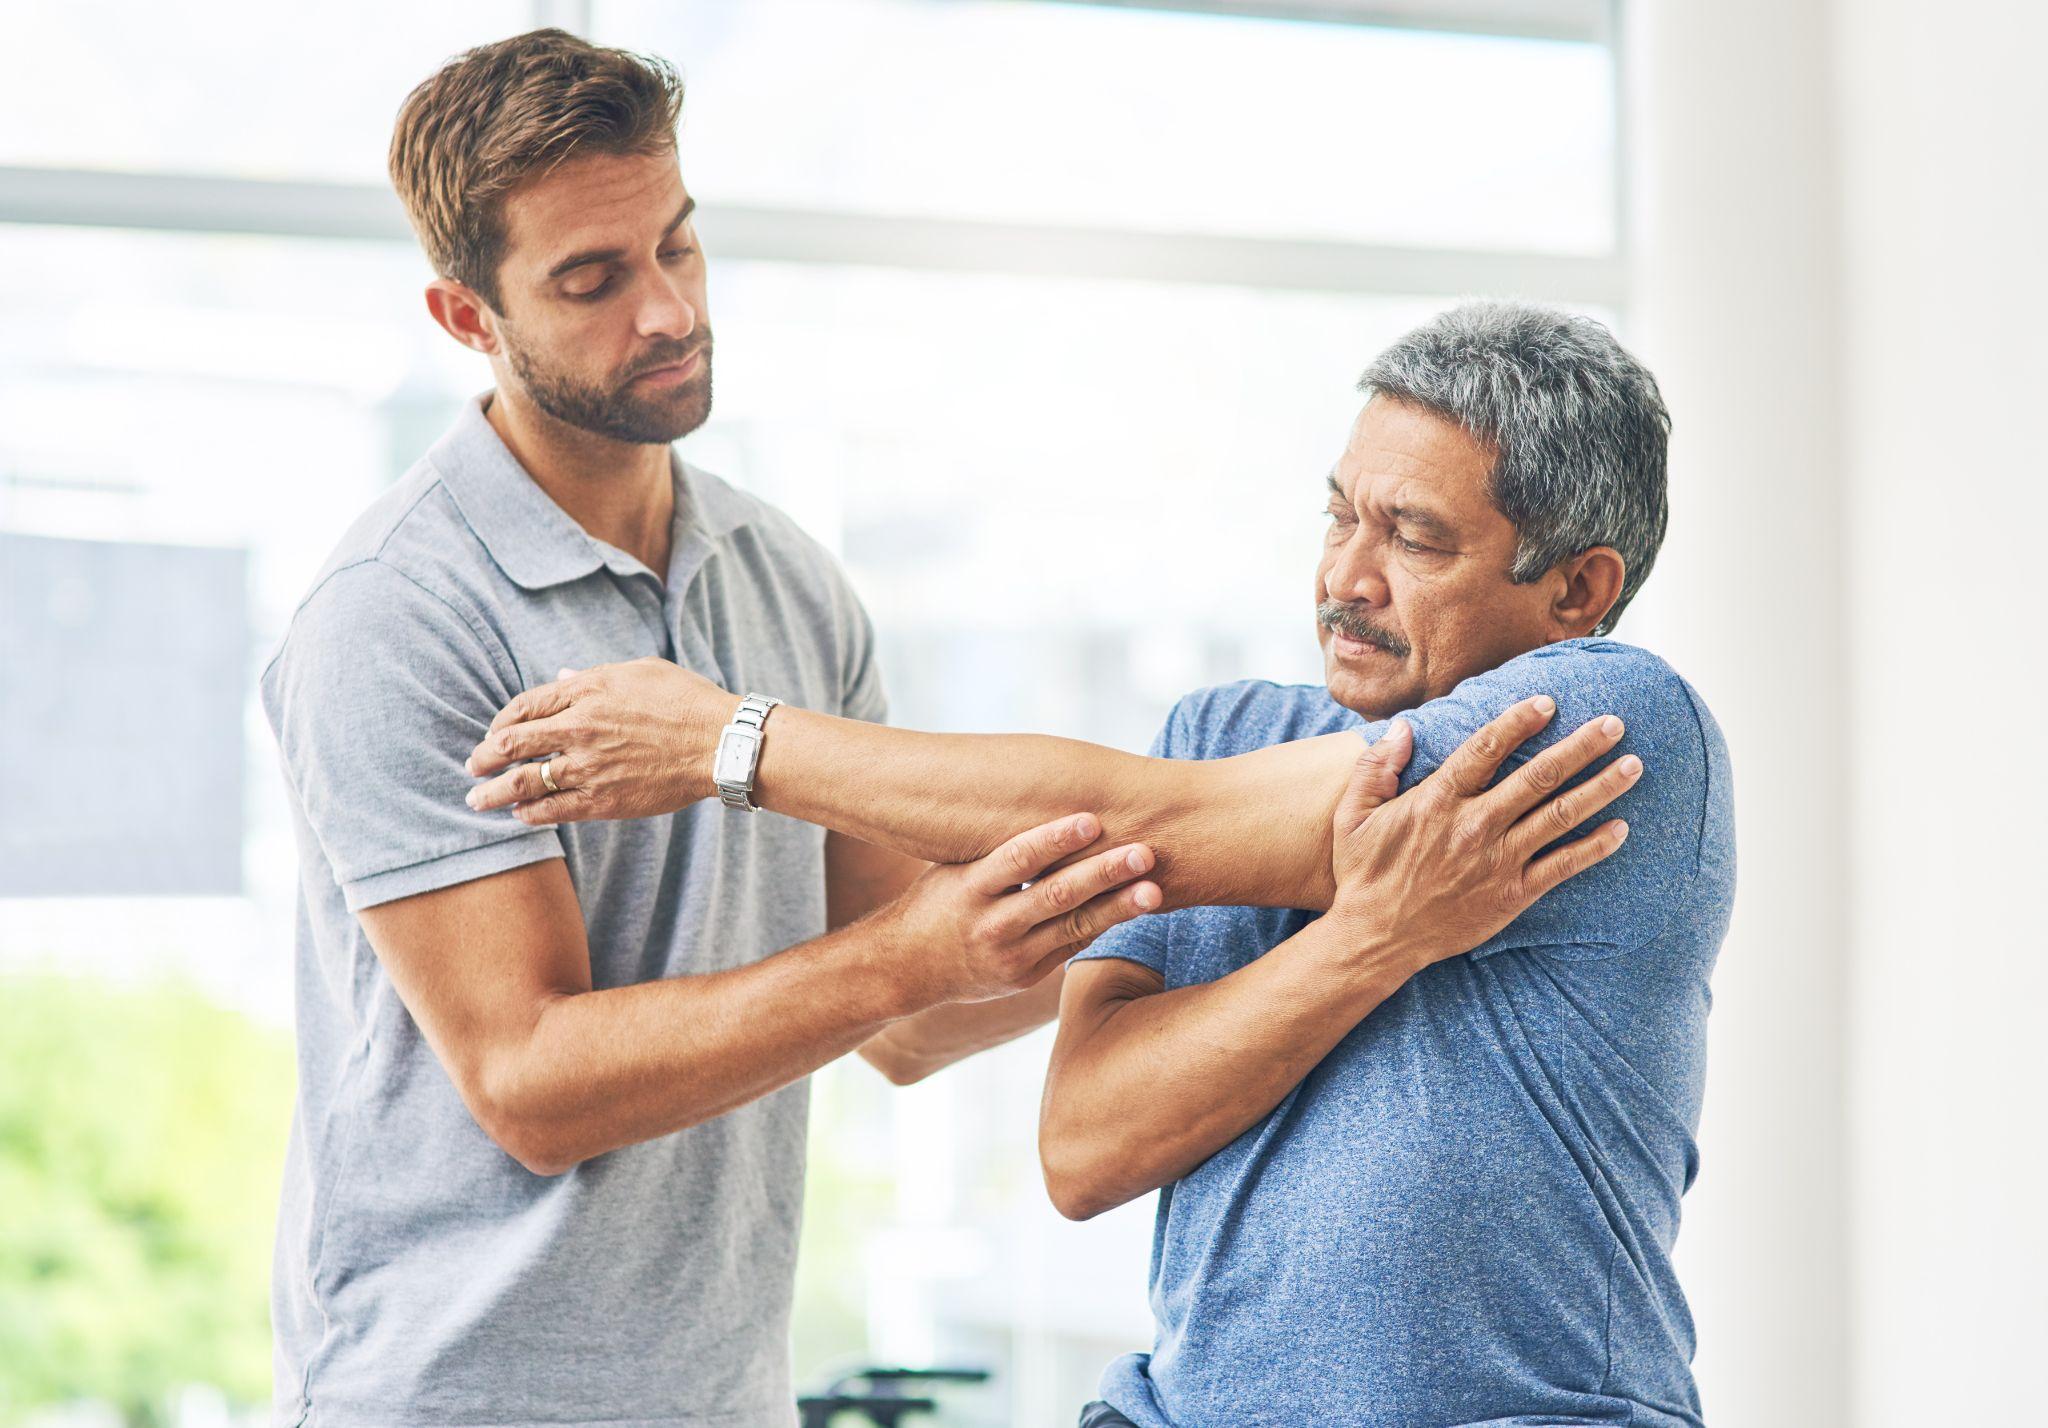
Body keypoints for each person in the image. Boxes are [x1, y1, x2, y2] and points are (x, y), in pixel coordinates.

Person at [263, 28, 1626, 1428]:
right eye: (592, 280)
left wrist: (1207, 911)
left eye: (677, 247)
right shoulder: (396, 617)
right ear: (465, 317)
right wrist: (920, 947)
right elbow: (530, 1082)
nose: (666, 311)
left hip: (721, 1394)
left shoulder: (783, 580)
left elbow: (911, 1022)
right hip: (451, 1394)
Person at [475, 304, 1731, 1428]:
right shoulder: (1227, 741)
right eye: (1340, 513)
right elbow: (1086, 1148)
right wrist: (1367, 942)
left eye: (1413, 539)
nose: (1346, 576)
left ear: (1576, 588)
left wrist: (727, 741)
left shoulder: (1608, 730)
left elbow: (1131, 822)